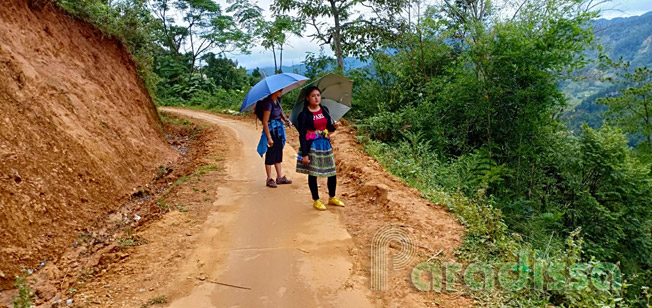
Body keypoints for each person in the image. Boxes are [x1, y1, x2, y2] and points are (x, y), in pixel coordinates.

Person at [295, 86, 346, 210]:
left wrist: (334, 127)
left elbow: (329, 127)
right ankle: (316, 200)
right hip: (312, 145)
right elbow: (302, 135)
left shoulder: (324, 109)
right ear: (308, 98)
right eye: (313, 96)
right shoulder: (304, 115)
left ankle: (332, 197)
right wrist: (305, 154)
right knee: (313, 173)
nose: (316, 98)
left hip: (325, 144)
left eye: (318, 95)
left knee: (332, 172)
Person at [256, 90, 293, 188]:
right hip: (271, 131)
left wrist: (286, 120)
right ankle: (269, 178)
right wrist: (269, 137)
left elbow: (280, 112)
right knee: (270, 154)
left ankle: (279, 177)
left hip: (279, 130)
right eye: (279, 90)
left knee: (278, 153)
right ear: (273, 91)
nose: (281, 91)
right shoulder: (268, 104)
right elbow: (265, 121)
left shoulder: (277, 101)